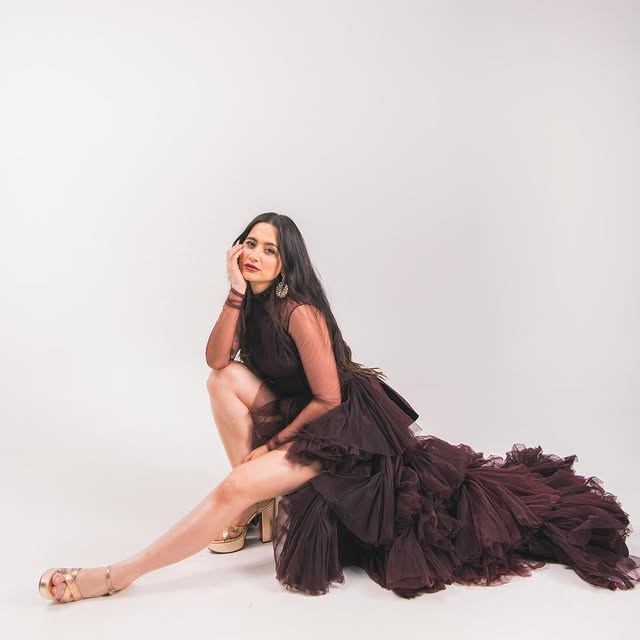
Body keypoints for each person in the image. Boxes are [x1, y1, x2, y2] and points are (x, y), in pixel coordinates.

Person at [39, 212, 640, 603]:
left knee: (237, 483)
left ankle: (118, 576)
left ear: (287, 264)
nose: (254, 254)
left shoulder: (300, 311)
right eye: (249, 243)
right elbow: (216, 359)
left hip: (342, 426)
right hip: (299, 406)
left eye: (269, 250)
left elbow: (328, 397)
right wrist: (233, 292)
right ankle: (256, 508)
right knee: (222, 382)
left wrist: (270, 448)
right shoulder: (250, 301)